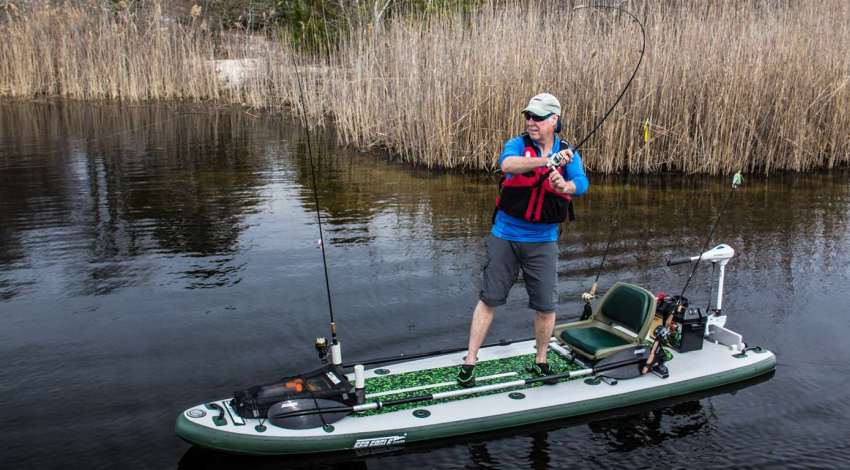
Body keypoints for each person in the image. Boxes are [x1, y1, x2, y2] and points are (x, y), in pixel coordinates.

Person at [457, 92, 589, 387]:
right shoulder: (518, 145)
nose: (531, 122)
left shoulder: (569, 153)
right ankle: (470, 360)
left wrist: (564, 184)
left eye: (538, 117)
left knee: (545, 306)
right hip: (505, 236)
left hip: (543, 241)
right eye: (528, 116)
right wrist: (546, 162)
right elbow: (507, 165)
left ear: (554, 120)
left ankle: (540, 360)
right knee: (489, 299)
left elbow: (581, 183)